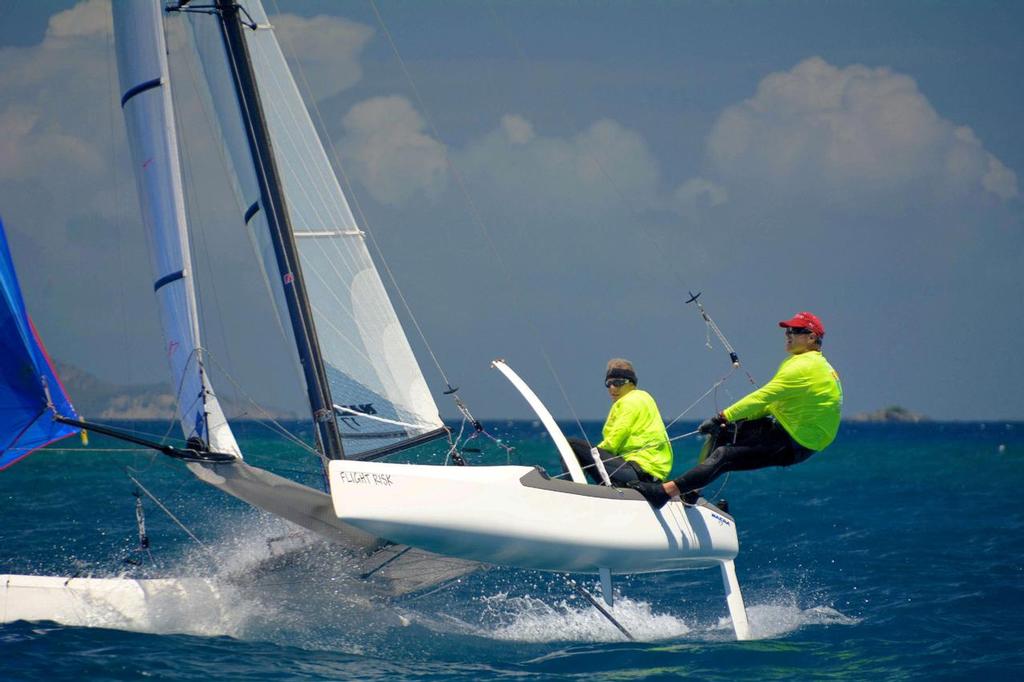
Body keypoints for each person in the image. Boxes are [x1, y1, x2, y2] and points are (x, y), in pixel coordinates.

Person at [631, 311, 842, 508]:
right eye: (788, 331)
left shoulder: (804, 367)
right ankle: (691, 492)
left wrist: (723, 415)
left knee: (724, 455)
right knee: (723, 431)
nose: (788, 335)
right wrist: (726, 421)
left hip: (798, 442)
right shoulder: (807, 364)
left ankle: (663, 493)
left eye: (795, 331)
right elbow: (769, 405)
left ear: (812, 338)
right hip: (789, 429)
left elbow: (763, 397)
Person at [566, 359, 673, 486]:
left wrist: (591, 455)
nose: (612, 388)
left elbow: (614, 440)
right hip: (653, 476)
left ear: (631, 383)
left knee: (571, 445)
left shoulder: (627, 402)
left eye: (618, 383)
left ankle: (570, 489)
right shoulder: (646, 398)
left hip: (637, 472)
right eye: (609, 383)